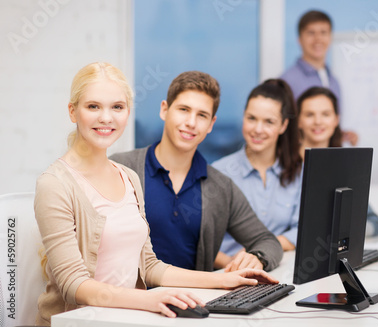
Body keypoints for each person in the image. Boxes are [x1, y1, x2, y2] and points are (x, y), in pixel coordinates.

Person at [34, 63, 278, 325]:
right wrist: (152, 300)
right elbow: (73, 284)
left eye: (117, 107)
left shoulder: (127, 176)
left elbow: (149, 265)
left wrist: (223, 280)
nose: (106, 117)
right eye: (93, 106)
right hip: (83, 321)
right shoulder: (55, 183)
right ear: (73, 111)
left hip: (135, 317)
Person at [111, 71, 283, 273]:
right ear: (164, 110)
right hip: (128, 302)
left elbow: (267, 241)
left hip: (194, 301)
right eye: (184, 109)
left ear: (211, 124)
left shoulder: (220, 187)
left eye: (202, 115)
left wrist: (257, 258)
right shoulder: (121, 167)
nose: (191, 122)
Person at [212, 79, 303, 271]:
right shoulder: (219, 173)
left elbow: (303, 230)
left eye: (269, 122)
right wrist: (237, 265)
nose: (258, 129)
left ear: (283, 125)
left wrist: (263, 251)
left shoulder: (297, 172)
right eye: (251, 118)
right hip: (228, 274)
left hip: (281, 269)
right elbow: (199, 243)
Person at [297, 86, 378, 237]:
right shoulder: (285, 165)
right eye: (309, 114)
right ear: (299, 121)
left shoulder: (341, 168)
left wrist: (341, 235)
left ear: (336, 119)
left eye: (326, 114)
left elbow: (374, 222)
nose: (318, 121)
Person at [280, 9, 358, 146]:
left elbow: (327, 126)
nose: (318, 39)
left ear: (330, 37)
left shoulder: (334, 81)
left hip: (329, 159)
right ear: (299, 39)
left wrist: (340, 134)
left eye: (323, 32)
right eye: (311, 33)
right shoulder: (287, 82)